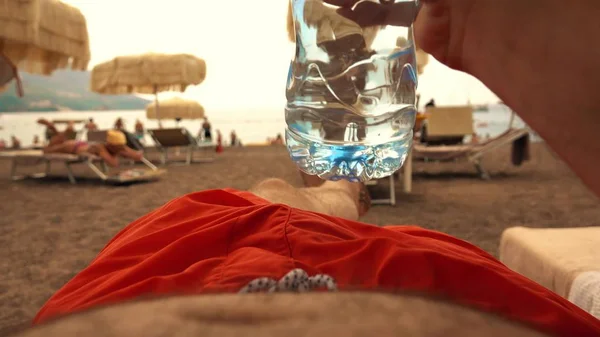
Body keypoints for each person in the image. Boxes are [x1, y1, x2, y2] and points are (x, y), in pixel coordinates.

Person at [15, 1, 600, 337]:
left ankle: (337, 192)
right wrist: (466, 28)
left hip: (182, 261)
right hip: (415, 280)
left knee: (263, 203)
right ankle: (342, 192)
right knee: (289, 207)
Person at [42, 129, 142, 167]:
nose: (121, 148)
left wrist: (128, 151)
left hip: (82, 144)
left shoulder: (115, 146)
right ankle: (53, 129)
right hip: (72, 147)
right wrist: (120, 152)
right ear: (111, 145)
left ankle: (57, 134)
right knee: (47, 151)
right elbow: (113, 163)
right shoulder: (100, 148)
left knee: (55, 145)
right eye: (119, 147)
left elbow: (137, 156)